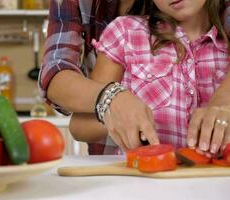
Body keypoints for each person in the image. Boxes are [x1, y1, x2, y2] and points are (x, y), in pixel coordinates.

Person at [39, 0, 230, 155]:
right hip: (137, 182)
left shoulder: (225, 40)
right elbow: (78, 123)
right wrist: (117, 105)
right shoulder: (126, 33)